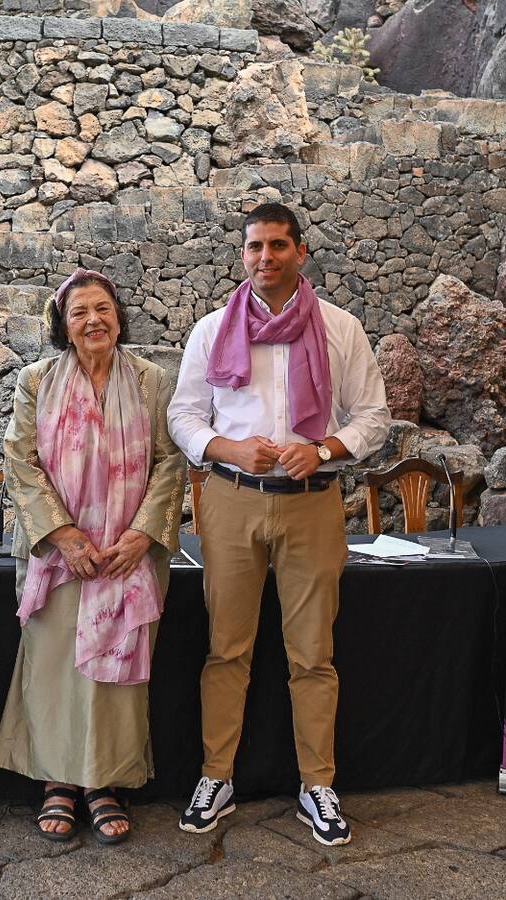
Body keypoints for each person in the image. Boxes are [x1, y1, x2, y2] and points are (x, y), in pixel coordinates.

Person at [167, 202, 391, 846]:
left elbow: (372, 417)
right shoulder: (211, 330)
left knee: (313, 654)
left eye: (277, 246)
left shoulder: (339, 328)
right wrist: (228, 449)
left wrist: (321, 450)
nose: (265, 257)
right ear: (243, 255)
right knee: (225, 649)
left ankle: (317, 784)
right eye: (254, 247)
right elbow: (184, 416)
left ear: (300, 253)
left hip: (312, 500)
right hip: (231, 499)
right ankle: (217, 776)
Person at [0, 268, 186, 845]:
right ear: (64, 326)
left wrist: (144, 535)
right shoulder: (37, 381)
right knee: (54, 666)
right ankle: (57, 782)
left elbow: (170, 460)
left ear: (119, 316)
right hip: (61, 556)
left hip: (127, 555)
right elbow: (20, 461)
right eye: (79, 313)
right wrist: (63, 535)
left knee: (116, 674)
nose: (93, 320)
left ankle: (104, 782)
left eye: (102, 308)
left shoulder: (153, 381)